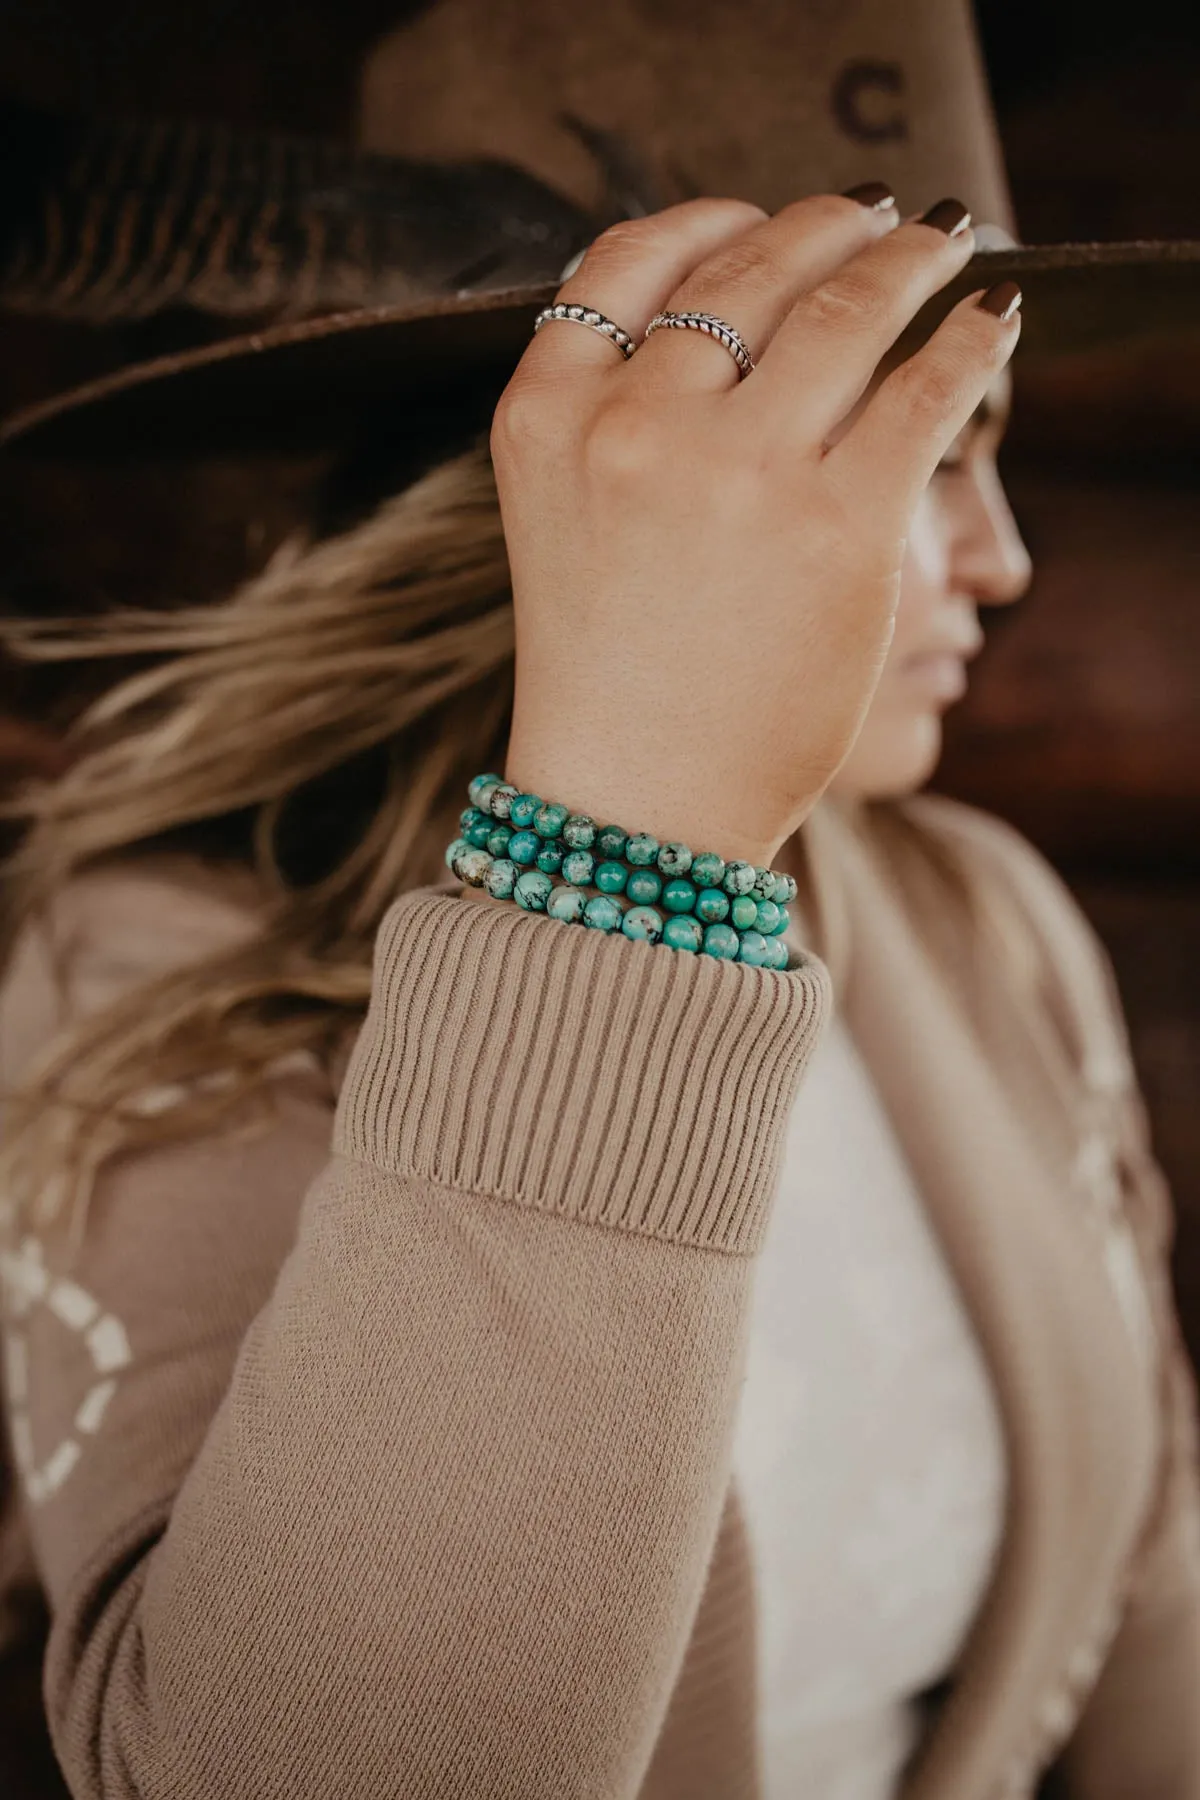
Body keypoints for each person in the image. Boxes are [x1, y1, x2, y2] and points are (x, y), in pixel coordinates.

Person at [2, 6, 1199, 1800]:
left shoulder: (984, 913)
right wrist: (638, 851)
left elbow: (1154, 1587)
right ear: (564, 480)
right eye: (923, 450)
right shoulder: (167, 965)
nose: (1005, 559)